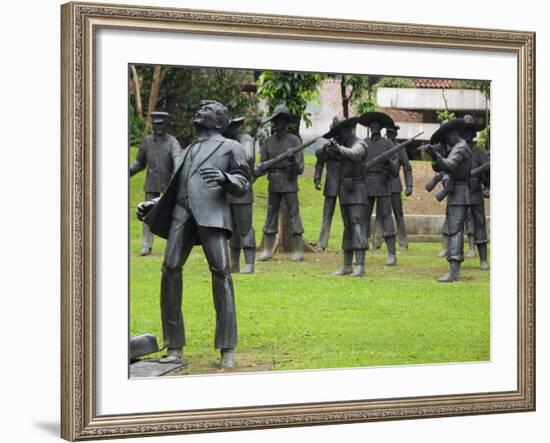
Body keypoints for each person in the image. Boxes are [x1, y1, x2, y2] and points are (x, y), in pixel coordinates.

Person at [137, 100, 250, 369]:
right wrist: (153, 204)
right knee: (170, 269)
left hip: (212, 215)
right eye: (200, 109)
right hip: (181, 213)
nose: (199, 112)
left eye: (208, 110)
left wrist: (226, 178)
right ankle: (174, 345)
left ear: (220, 121)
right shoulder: (188, 150)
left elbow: (244, 182)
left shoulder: (231, 147)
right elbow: (177, 187)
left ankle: (227, 348)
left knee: (221, 272)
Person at [423, 118, 471, 282]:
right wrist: (433, 154)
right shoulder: (456, 147)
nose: (446, 140)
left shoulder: (461, 147)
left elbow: (449, 165)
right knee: (453, 229)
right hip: (455, 192)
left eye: (447, 137)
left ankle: (454, 271)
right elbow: (439, 167)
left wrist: (436, 154)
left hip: (459, 192)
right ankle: (453, 269)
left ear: (453, 134)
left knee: (456, 230)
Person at [321, 116, 369, 276]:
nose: (338, 136)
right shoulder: (340, 146)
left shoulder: (360, 144)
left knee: (357, 225)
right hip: (344, 190)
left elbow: (355, 155)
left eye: (338, 132)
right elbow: (319, 154)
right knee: (348, 227)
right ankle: (347, 264)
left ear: (346, 130)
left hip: (358, 190)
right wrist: (328, 148)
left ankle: (360, 265)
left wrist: (339, 149)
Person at [258, 104, 305, 262]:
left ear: (286, 122)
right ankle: (267, 249)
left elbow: (300, 168)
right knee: (270, 214)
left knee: (294, 213)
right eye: (276, 120)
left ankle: (298, 249)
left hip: (290, 182)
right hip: (274, 183)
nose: (279, 123)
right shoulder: (267, 142)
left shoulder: (295, 141)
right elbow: (262, 167)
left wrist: (291, 160)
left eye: (282, 120)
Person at [130, 111, 181, 255]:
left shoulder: (173, 142)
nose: (158, 127)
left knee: (172, 214)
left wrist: (177, 179)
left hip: (168, 184)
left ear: (166, 125)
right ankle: (146, 245)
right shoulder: (147, 141)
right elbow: (139, 163)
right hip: (151, 182)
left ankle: (173, 244)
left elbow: (177, 161)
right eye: (156, 124)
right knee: (147, 214)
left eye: (161, 124)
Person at [362, 112, 400, 266]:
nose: (374, 127)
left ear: (381, 127)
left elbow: (396, 169)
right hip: (366, 183)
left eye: (377, 124)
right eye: (372, 124)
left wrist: (388, 162)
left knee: (386, 217)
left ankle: (391, 253)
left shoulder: (388, 144)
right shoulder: (363, 143)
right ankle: (361, 250)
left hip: (383, 183)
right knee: (363, 217)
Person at [223, 117, 256, 274]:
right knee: (232, 228)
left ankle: (249, 263)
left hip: (243, 190)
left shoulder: (245, 140)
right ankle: (234, 262)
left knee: (245, 227)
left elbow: (248, 158)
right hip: (228, 190)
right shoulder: (225, 142)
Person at [461, 114, 490, 270]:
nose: (467, 134)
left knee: (480, 224)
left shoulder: (480, 152)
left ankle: (483, 259)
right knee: (457, 224)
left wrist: (486, 184)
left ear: (474, 134)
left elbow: (488, 173)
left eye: (470, 131)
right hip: (459, 191)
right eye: (464, 131)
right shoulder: (456, 150)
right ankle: (455, 259)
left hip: (475, 191)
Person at [381, 124, 413, 250]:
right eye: (388, 132)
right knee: (381, 214)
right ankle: (377, 240)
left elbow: (407, 167)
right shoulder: (382, 145)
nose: (390, 135)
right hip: (381, 184)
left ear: (396, 134)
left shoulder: (399, 148)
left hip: (394, 184)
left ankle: (403, 242)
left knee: (398, 214)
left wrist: (409, 185)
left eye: (392, 133)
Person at [314, 140, 340, 250]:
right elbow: (320, 161)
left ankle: (351, 242)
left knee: (348, 216)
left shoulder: (349, 143)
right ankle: (322, 242)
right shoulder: (328, 146)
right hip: (331, 183)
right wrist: (317, 178)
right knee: (327, 215)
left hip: (346, 184)